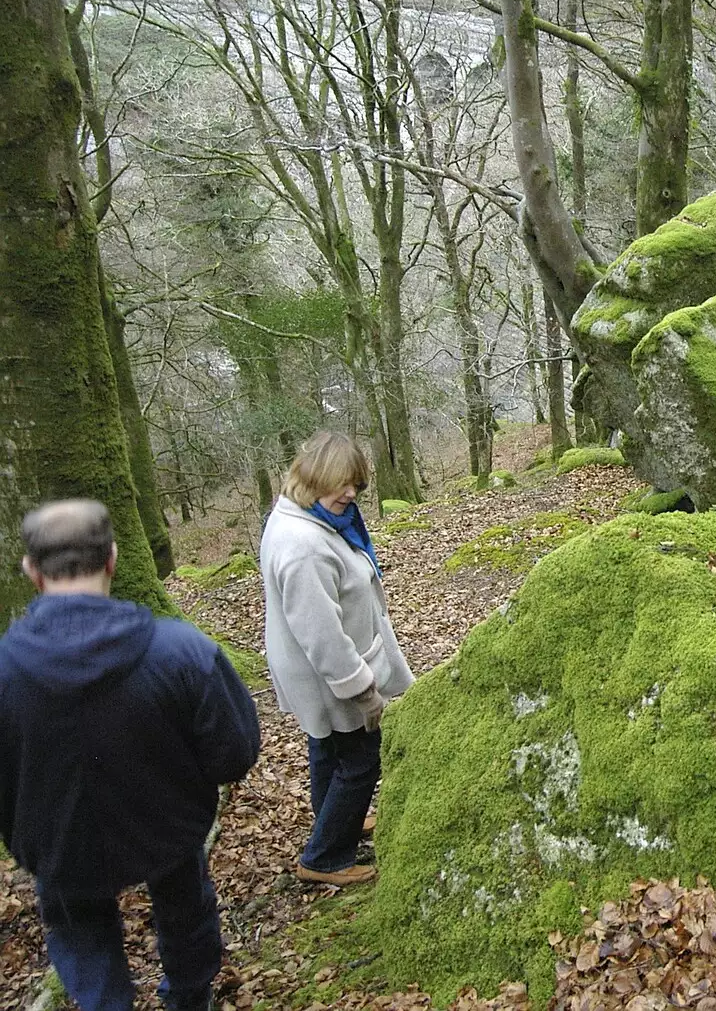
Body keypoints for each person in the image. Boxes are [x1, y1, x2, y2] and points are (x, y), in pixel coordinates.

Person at [0, 499, 261, 1011]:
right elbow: (235, 751)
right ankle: (190, 996)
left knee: (80, 929)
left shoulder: (5, 672)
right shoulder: (182, 651)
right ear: (114, 559)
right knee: (185, 906)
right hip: (167, 830)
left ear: (32, 571)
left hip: (57, 844)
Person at [260, 431, 414, 887]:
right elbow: (324, 637)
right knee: (362, 759)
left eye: (356, 485)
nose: (351, 494)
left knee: (327, 746)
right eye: (342, 484)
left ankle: (335, 822)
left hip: (313, 669)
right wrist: (365, 693)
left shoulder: (304, 517)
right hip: (328, 673)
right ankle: (326, 856)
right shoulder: (305, 545)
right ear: (313, 478)